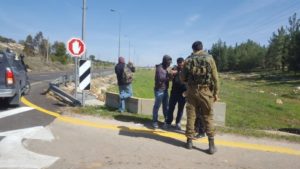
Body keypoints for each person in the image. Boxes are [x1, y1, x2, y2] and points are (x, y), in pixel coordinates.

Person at [180, 41, 219, 154]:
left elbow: (182, 78)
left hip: (191, 91)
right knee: (208, 116)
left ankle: (189, 142)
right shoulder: (209, 58)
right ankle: (211, 146)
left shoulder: (189, 59)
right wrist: (216, 92)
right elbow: (215, 78)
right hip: (206, 91)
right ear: (202, 48)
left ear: (193, 49)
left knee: (191, 116)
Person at [163, 57, 186, 130]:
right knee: (171, 108)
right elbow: (168, 71)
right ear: (177, 64)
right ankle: (168, 122)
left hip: (183, 92)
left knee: (180, 109)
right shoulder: (174, 68)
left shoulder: (186, 69)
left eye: (182, 65)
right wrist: (174, 72)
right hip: (174, 92)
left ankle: (178, 123)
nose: (181, 66)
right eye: (179, 65)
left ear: (184, 63)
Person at [152, 55, 173, 129]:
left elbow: (169, 79)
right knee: (157, 106)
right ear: (164, 61)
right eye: (168, 62)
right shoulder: (159, 68)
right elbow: (161, 79)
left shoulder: (166, 68)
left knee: (166, 107)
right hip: (159, 90)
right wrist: (169, 75)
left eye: (170, 63)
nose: (169, 64)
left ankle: (166, 121)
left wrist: (170, 76)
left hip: (165, 90)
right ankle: (154, 121)